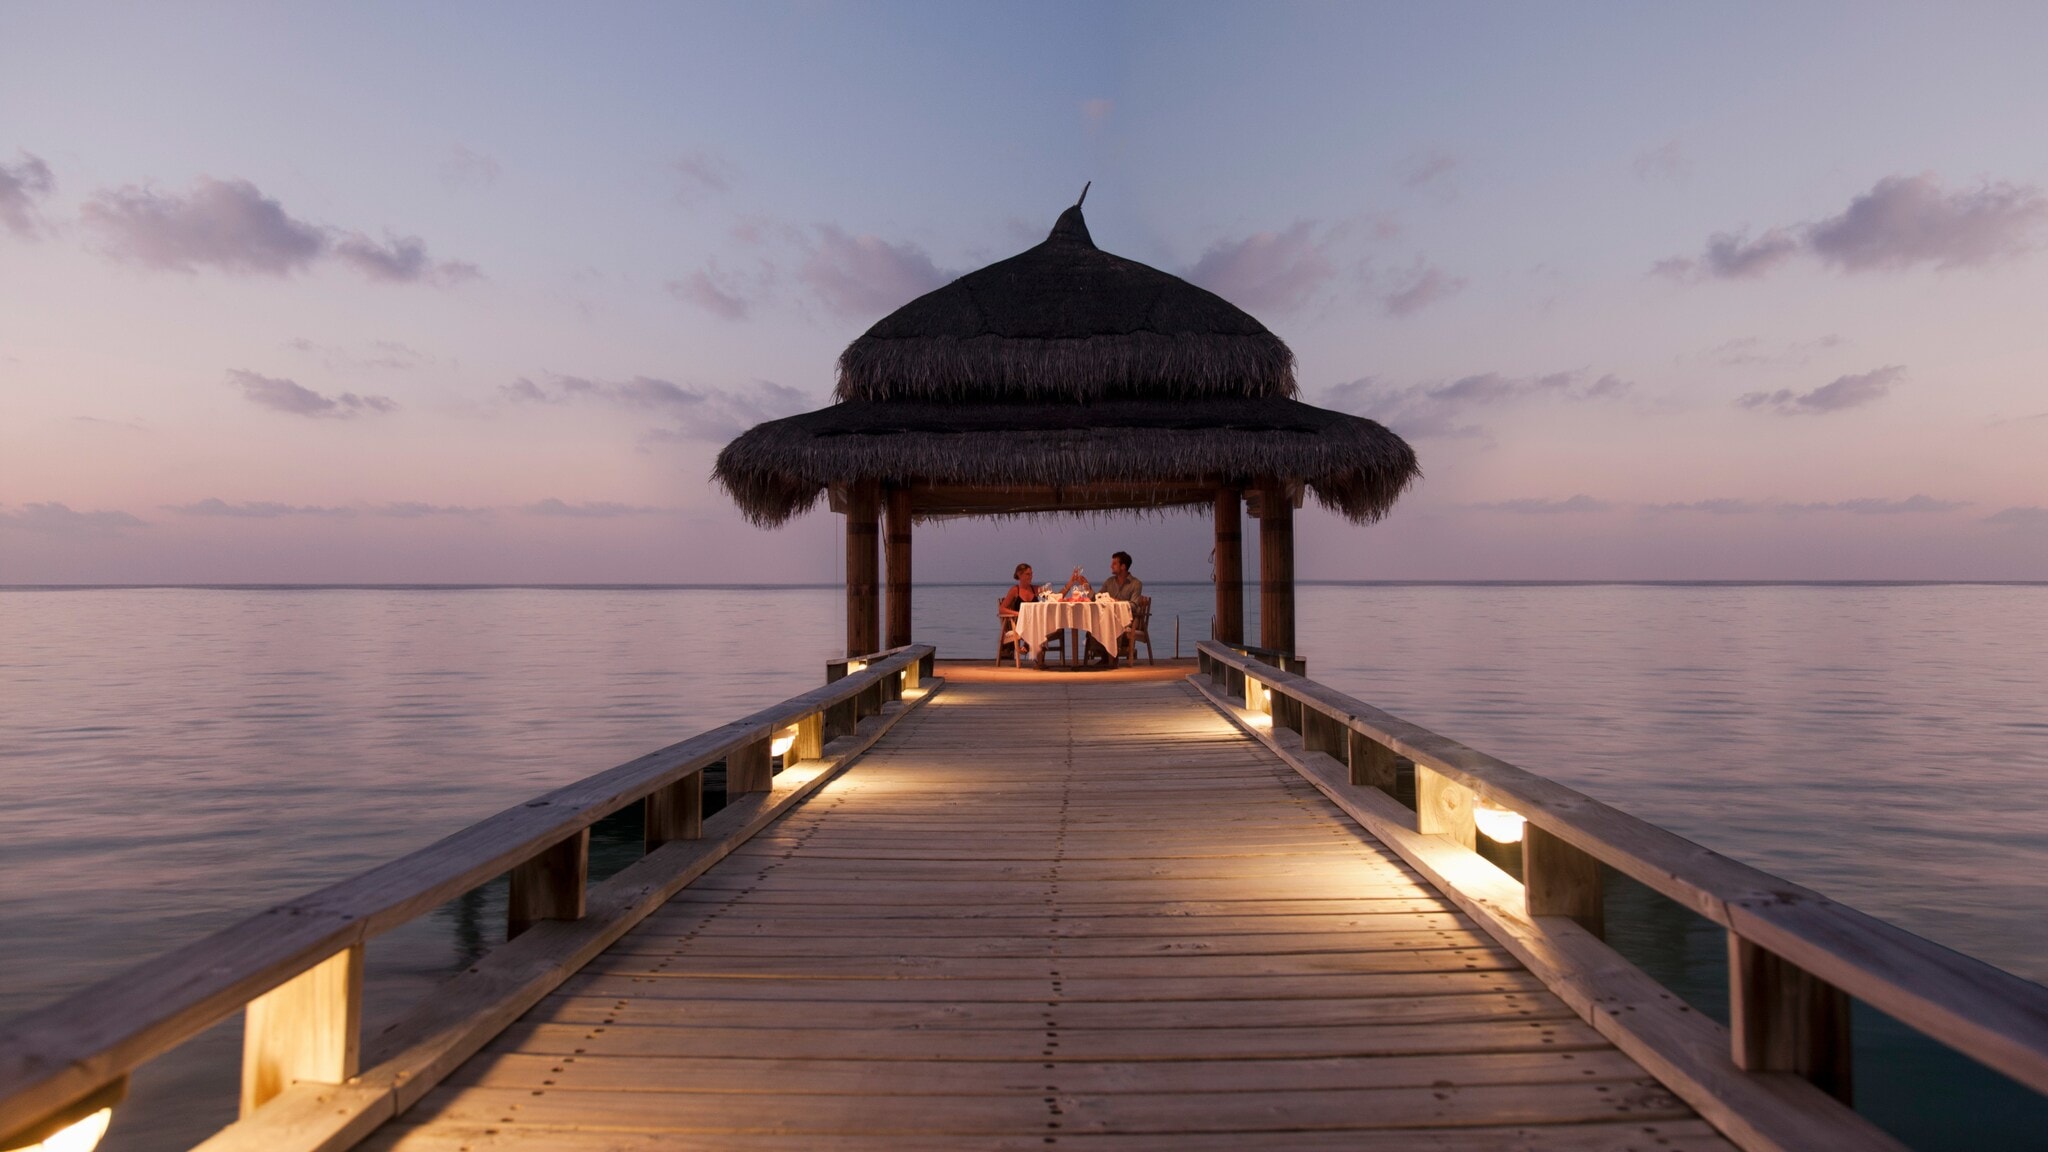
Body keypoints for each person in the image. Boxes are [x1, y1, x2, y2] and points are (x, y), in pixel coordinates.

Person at [999, 563, 1039, 661]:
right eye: (1027, 574)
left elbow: (1054, 597)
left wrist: (1070, 584)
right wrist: (1018, 614)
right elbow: (1002, 609)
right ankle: (1028, 647)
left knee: (1041, 622)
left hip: (1035, 622)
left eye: (1031, 574)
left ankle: (1028, 647)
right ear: (1019, 575)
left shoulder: (1035, 589)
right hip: (1019, 623)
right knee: (1036, 625)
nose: (1030, 577)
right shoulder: (1015, 590)